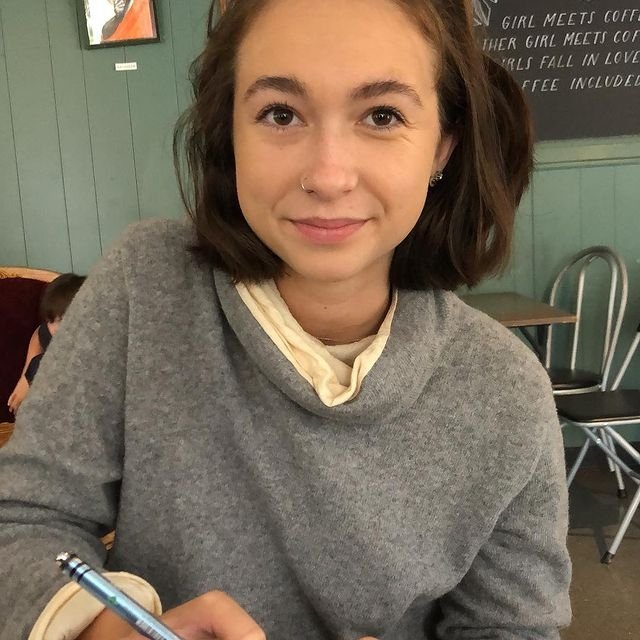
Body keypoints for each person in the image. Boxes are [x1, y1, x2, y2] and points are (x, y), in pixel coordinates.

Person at [0, 1, 571, 639]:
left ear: (442, 145)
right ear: (230, 134)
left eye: (382, 115)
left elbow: (515, 626)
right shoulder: (144, 284)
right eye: (280, 114)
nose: (327, 176)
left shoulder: (505, 390)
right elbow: (23, 518)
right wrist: (97, 630)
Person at [7, 273, 86, 416]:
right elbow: (40, 333)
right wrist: (26, 376)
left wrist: (35, 367)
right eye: (50, 320)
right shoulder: (48, 332)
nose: (54, 328)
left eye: (62, 320)